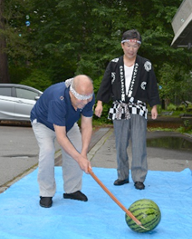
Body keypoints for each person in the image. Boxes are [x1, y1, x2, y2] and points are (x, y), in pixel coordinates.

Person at [95, 29, 160, 190]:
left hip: (138, 106)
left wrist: (154, 106)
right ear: (122, 45)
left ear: (139, 46)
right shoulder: (114, 64)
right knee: (120, 143)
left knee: (139, 143)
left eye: (135, 45)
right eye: (128, 45)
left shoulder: (145, 64)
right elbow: (105, 84)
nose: (131, 49)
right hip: (119, 107)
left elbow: (152, 86)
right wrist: (100, 103)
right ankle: (122, 175)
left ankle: (138, 177)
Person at [31, 75, 95, 208]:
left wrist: (83, 154)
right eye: (82, 99)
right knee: (48, 151)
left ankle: (72, 190)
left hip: (68, 124)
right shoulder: (58, 98)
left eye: (88, 98)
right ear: (72, 92)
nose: (85, 102)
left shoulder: (88, 97)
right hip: (44, 123)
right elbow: (61, 137)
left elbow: (87, 125)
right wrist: (79, 158)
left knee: (77, 150)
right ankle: (46, 193)